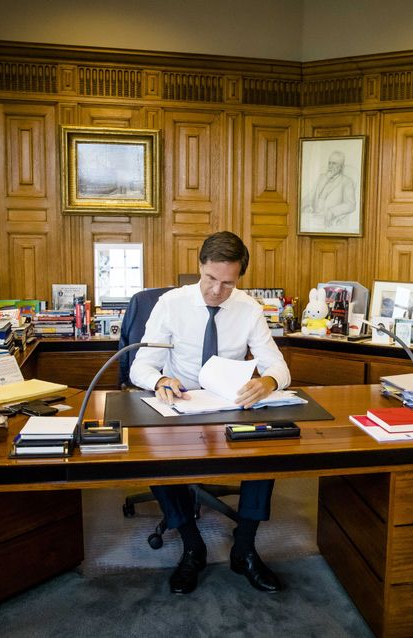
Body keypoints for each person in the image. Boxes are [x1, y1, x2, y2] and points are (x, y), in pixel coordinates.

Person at [130, 230, 290, 595]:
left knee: (267, 449)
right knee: (154, 453)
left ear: (239, 279)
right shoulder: (171, 304)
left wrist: (267, 383)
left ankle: (245, 549)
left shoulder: (249, 309)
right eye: (210, 279)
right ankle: (192, 545)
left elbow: (279, 368)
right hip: (180, 402)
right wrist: (159, 380)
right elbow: (140, 367)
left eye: (228, 283)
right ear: (199, 266)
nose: (217, 290)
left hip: (227, 404)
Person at [302, 150, 356, 228]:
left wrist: (332, 211)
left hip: (328, 220)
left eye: (334, 163)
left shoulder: (347, 182)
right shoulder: (322, 177)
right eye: (329, 163)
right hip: (313, 216)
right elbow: (311, 194)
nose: (330, 166)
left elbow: (351, 205)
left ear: (341, 167)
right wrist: (307, 206)